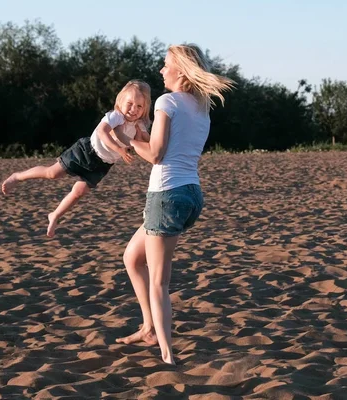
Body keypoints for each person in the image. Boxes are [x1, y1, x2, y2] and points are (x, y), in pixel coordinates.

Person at [116, 44, 235, 364]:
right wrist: (139, 135)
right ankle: (147, 327)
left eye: (165, 65)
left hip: (166, 195)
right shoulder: (201, 106)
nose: (161, 70)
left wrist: (127, 138)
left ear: (180, 71)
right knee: (131, 257)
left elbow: (156, 154)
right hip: (191, 195)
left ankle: (166, 352)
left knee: (159, 281)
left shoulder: (167, 101)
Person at [1, 80, 152, 237]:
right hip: (86, 151)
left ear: (145, 108)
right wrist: (119, 149)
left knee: (79, 192)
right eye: (130, 103)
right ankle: (18, 176)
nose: (134, 109)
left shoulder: (139, 124)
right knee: (52, 173)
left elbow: (146, 141)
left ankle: (55, 215)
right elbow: (102, 132)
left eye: (139, 106)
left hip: (102, 164)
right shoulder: (116, 116)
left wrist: (144, 137)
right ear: (120, 102)